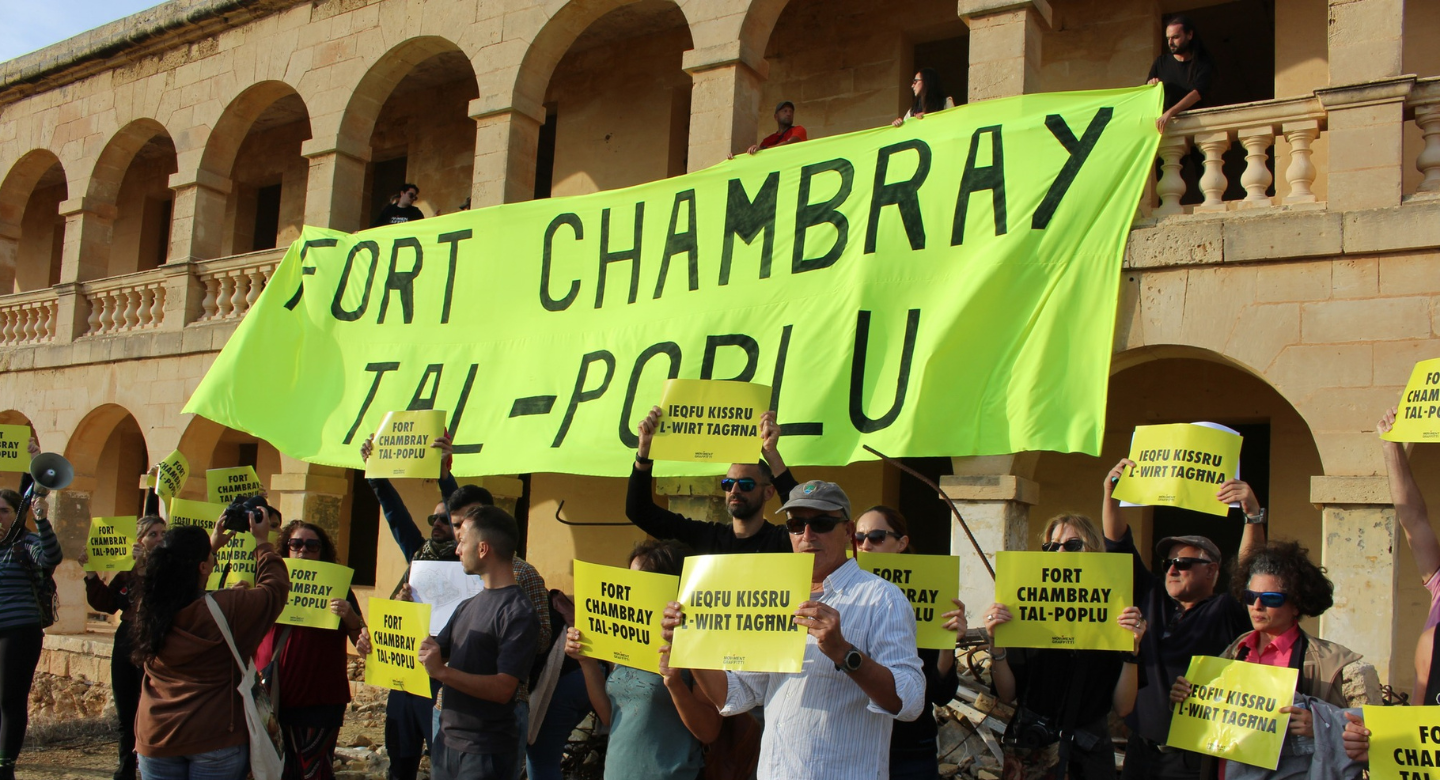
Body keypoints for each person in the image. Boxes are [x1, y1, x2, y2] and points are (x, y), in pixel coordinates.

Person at [665, 480, 926, 780]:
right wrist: (689, 643)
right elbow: (736, 693)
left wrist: (845, 653)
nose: (807, 535)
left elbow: (910, 700)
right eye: (796, 525)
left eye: (822, 523)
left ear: (847, 531)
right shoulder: (776, 595)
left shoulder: (882, 598)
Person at [1104, 457, 1266, 780]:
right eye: (1168, 563)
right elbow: (1118, 544)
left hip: (1192, 759)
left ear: (1212, 571)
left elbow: (1250, 572)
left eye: (1184, 563)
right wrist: (1110, 494)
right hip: (1140, 752)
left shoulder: (1225, 611)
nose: (1173, 569)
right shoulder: (1152, 595)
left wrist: (1252, 515)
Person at [1169, 540, 1379, 776]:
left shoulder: (1338, 665)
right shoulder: (1235, 651)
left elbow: (1374, 740)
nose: (1257, 606)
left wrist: (1318, 726)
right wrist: (1186, 697)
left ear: (1296, 604)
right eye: (1250, 596)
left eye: (1271, 598)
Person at [983, 514, 1148, 780]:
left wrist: (1133, 650)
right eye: (1051, 546)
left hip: (1089, 756)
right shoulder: (1026, 614)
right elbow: (1006, 694)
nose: (1059, 552)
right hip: (1034, 749)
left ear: (1093, 550)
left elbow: (1124, 707)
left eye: (1071, 545)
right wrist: (996, 643)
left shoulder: (1115, 617)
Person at [132, 508, 289, 780]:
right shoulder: (227, 607)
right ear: (203, 567)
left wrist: (210, 547)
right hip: (215, 737)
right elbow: (274, 589)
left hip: (156, 735)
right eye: (209, 558)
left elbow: (185, 586)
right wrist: (262, 542)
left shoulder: (148, 608)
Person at [564, 539, 720, 780]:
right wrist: (586, 661)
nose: (629, 588)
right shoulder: (626, 639)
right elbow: (610, 716)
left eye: (639, 580)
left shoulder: (696, 644)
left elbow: (709, 731)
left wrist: (675, 684)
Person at [360, 433, 460, 780]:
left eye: (445, 519)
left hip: (443, 674)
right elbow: (395, 514)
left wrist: (445, 475)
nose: (437, 524)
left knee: (442, 762)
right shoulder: (419, 555)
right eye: (434, 520)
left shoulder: (468, 566)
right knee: (400, 759)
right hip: (405, 673)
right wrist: (375, 472)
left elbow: (460, 508)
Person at [419, 505, 540, 780]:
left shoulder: (518, 612)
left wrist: (442, 673)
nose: (457, 550)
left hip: (485, 752)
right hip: (446, 744)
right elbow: (434, 651)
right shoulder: (467, 605)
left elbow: (503, 689)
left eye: (462, 542)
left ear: (483, 549)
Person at [854, 506, 966, 780]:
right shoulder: (844, 592)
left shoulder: (932, 592)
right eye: (858, 537)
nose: (865, 545)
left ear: (902, 543)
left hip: (910, 747)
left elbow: (941, 694)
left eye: (877, 537)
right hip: (855, 741)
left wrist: (946, 643)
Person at [256, 520, 371, 780]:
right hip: (271, 698)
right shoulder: (269, 583)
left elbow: (361, 641)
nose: (303, 551)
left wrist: (350, 616)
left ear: (322, 551)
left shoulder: (337, 587)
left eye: (312, 546)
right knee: (273, 771)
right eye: (296, 544)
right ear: (286, 548)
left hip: (319, 703)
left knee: (313, 772)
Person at [628, 408, 798, 554]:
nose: (734, 490)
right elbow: (640, 512)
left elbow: (804, 516)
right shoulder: (706, 539)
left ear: (768, 492)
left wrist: (772, 455)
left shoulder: (784, 540)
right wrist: (644, 452)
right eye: (728, 484)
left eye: (746, 484)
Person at [82, 512, 165, 780]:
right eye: (153, 534)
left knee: (151, 705)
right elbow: (106, 603)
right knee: (126, 707)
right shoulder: (126, 573)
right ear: (139, 540)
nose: (159, 539)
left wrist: (145, 570)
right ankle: (125, 767)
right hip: (127, 638)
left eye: (163, 534)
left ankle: (152, 764)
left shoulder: (169, 570)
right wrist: (91, 571)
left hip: (154, 638)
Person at [0, 436, 57, 780]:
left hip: (19, 631)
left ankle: (5, 766)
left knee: (9, 698)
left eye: (3, 511)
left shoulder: (28, 542)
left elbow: (50, 558)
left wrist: (42, 520)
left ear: (16, 514)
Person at [1147, 15, 1214, 132]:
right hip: (1167, 128)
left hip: (1195, 127)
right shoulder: (1161, 62)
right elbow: (1147, 95)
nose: (1170, 42)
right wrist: (1151, 86)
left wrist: (1170, 112)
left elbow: (1197, 93)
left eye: (1175, 37)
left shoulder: (1203, 63)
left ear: (1189, 35)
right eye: (1168, 38)